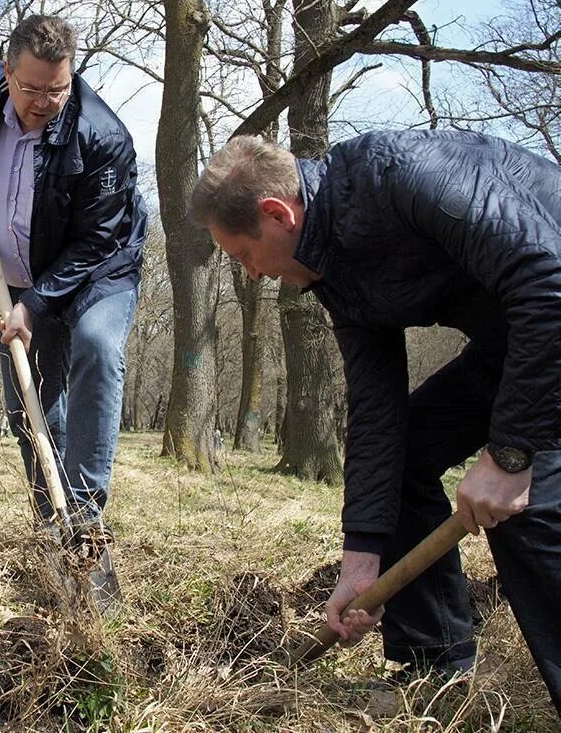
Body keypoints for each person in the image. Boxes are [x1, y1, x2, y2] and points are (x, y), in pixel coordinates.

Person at [191, 130, 561, 714]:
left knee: (524, 505)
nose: (253, 274)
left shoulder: (402, 178)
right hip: (511, 345)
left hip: (551, 321)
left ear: (276, 213)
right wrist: (361, 558)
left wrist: (510, 455)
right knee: (407, 455)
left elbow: (549, 283)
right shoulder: (333, 270)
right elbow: (376, 410)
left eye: (243, 255)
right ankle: (436, 670)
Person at [0, 14, 146, 550]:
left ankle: (84, 520)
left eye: (57, 90)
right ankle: (50, 523)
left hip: (98, 272)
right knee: (29, 402)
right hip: (17, 272)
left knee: (98, 347)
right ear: (7, 74)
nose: (44, 102)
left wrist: (34, 304)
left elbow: (98, 241)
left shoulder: (102, 136)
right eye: (31, 89)